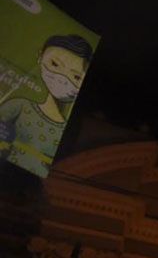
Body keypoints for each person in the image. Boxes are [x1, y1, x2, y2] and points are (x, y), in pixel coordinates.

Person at [0, 34, 93, 177]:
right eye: (55, 64)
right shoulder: (19, 106)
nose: (62, 78)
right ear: (40, 56)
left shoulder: (67, 131)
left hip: (26, 192)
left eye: (76, 77)